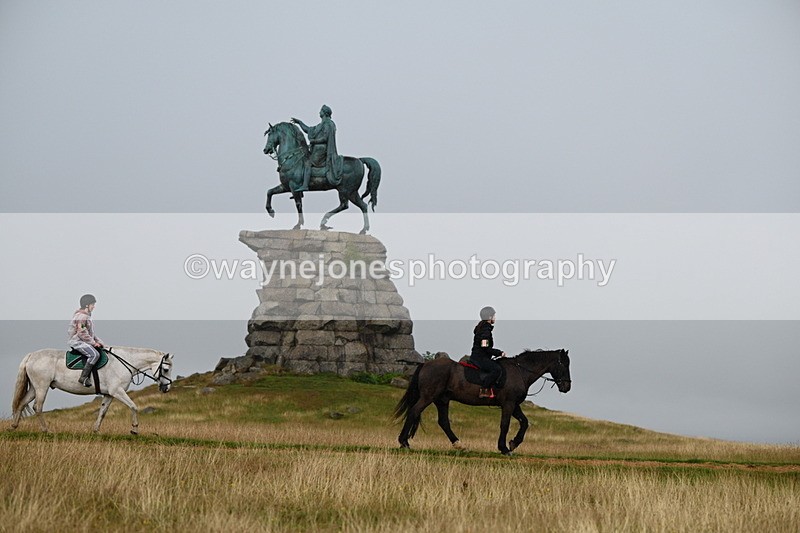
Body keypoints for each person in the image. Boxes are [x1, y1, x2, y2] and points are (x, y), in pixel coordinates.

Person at [290, 105, 343, 191]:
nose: (319, 112)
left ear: (325, 113)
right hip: (317, 149)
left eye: (321, 111)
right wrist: (300, 123)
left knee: (307, 163)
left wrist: (314, 141)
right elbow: (308, 130)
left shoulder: (328, 124)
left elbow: (325, 138)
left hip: (322, 150)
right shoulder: (321, 125)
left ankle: (305, 185)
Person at [68, 294, 104, 387]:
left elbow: (91, 334)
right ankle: (83, 377)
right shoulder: (82, 317)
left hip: (84, 340)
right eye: (92, 304)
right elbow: (82, 332)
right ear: (87, 305)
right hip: (78, 342)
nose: (94, 307)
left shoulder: (87, 316)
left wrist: (99, 342)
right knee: (94, 354)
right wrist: (93, 343)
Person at [470, 306, 505, 398]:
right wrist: (499, 353)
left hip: (479, 356)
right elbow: (485, 348)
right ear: (489, 317)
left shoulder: (484, 328)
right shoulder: (485, 331)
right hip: (480, 358)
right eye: (494, 316)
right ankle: (484, 390)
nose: (495, 318)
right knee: (496, 369)